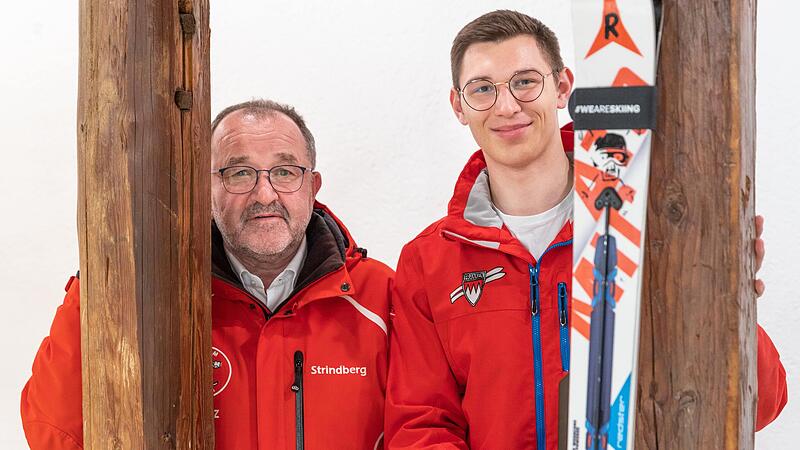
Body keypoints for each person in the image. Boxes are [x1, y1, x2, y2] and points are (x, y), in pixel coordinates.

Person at [384, 10, 787, 449]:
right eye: (483, 89)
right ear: (459, 106)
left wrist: (728, 299)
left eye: (525, 81)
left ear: (561, 88)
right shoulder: (429, 260)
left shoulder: (643, 227)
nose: (506, 106)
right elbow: (421, 426)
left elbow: (761, 405)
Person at [21, 100, 393, 449]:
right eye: (239, 173)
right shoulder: (157, 297)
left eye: (284, 171)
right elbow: (56, 434)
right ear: (206, 189)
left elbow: (423, 427)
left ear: (312, 187)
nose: (265, 194)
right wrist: (108, 271)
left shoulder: (381, 298)